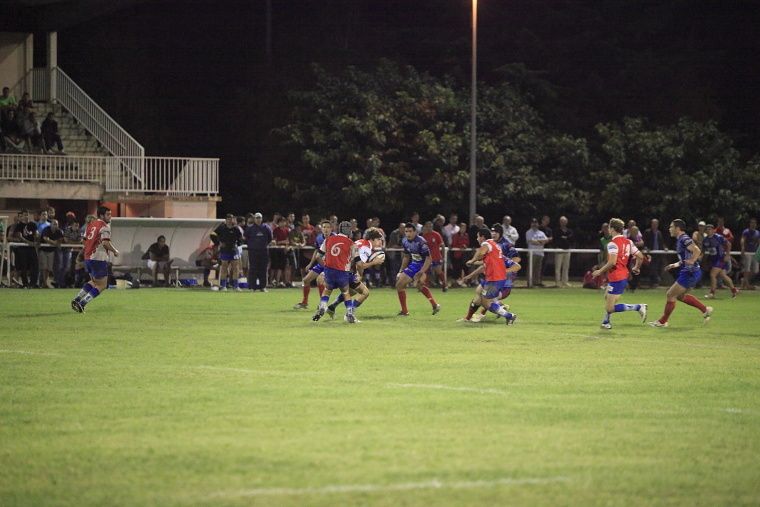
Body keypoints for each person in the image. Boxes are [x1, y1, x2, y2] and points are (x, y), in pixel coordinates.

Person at [650, 219, 713, 327]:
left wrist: (692, 261)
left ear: (677, 228)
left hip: (690, 273)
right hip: (691, 272)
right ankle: (705, 309)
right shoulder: (681, 239)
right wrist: (676, 264)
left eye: (671, 227)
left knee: (670, 294)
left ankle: (662, 321)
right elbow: (686, 257)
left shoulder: (684, 238)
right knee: (679, 296)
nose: (669, 229)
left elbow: (697, 250)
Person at [591, 218, 647, 329]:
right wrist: (636, 267)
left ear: (612, 229)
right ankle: (606, 322)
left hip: (617, 277)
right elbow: (640, 256)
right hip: (622, 276)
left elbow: (611, 262)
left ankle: (638, 307)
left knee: (609, 308)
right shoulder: (629, 242)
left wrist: (599, 271)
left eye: (609, 228)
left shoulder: (612, 244)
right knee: (607, 296)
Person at [462, 224, 521, 322]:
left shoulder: (488, 244)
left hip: (497, 280)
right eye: (492, 232)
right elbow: (484, 264)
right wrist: (470, 274)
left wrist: (473, 261)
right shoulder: (497, 250)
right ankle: (501, 310)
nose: (477, 239)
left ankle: (507, 315)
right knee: (479, 295)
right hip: (493, 279)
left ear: (482, 237)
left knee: (485, 302)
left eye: (478, 236)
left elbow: (481, 253)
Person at [324, 228, 386, 321]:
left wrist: (359, 274)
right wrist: (374, 262)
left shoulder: (360, 241)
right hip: (346, 271)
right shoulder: (366, 248)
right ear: (372, 239)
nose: (380, 241)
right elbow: (360, 265)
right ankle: (349, 315)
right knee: (365, 293)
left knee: (352, 291)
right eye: (378, 239)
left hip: (342, 269)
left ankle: (332, 307)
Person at [71, 206, 119, 312]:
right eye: (108, 214)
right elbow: (105, 242)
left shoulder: (90, 225)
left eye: (110, 214)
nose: (110, 216)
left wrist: (90, 249)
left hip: (88, 257)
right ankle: (82, 303)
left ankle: (77, 298)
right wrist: (115, 251)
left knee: (94, 282)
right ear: (101, 215)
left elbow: (84, 241)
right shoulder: (105, 226)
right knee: (102, 285)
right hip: (98, 259)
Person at [312, 221, 357, 323]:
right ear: (349, 231)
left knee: (327, 290)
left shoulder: (328, 240)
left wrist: (325, 267)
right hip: (342, 272)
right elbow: (356, 260)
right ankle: (349, 312)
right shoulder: (351, 243)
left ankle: (323, 306)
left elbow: (318, 256)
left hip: (329, 271)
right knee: (346, 292)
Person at [396, 223, 440, 316]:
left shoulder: (421, 242)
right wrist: (400, 271)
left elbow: (428, 259)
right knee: (399, 285)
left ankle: (434, 305)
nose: (408, 234)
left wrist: (421, 272)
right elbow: (406, 257)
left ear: (415, 232)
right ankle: (405, 311)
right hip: (414, 264)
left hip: (424, 265)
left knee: (418, 284)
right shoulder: (404, 241)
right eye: (406, 231)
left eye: (410, 231)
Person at [293, 219, 330, 308]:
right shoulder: (319, 238)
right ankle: (305, 303)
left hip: (329, 264)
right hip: (320, 264)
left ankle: (323, 304)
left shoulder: (334, 237)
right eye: (324, 227)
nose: (325, 229)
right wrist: (310, 263)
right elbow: (317, 251)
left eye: (327, 227)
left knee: (319, 281)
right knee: (306, 280)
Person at [702, 224, 738, 299]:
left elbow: (728, 244)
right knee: (723, 275)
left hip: (720, 259)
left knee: (712, 275)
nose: (708, 231)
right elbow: (704, 251)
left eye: (710, 229)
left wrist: (727, 255)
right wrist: (704, 261)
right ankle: (734, 290)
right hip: (713, 260)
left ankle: (712, 293)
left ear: (713, 230)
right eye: (707, 229)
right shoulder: (705, 240)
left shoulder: (718, 237)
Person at [210, 214, 244, 291]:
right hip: (225, 250)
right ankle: (223, 286)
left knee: (235, 268)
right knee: (224, 268)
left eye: (231, 219)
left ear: (233, 220)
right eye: (228, 219)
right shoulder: (222, 228)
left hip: (233, 250)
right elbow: (212, 234)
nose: (230, 220)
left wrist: (238, 244)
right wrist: (219, 243)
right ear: (226, 220)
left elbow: (240, 238)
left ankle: (236, 286)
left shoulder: (236, 229)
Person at [244, 212, 272, 292]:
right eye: (257, 218)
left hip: (263, 251)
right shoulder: (250, 228)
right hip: (253, 251)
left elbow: (270, 238)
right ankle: (252, 286)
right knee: (253, 269)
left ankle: (262, 287)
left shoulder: (266, 228)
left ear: (261, 219)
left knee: (263, 269)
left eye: (259, 218)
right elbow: (246, 238)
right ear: (254, 219)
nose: (258, 219)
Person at [12, 210, 38, 287]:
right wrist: (29, 243)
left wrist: (37, 238)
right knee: (24, 267)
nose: (26, 216)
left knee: (35, 265)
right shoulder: (19, 225)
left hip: (32, 249)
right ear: (22, 216)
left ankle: (33, 283)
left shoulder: (33, 224)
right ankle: (25, 283)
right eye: (24, 215)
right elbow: (20, 236)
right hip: (22, 249)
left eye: (27, 215)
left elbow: (36, 233)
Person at [422, 221, 447, 291]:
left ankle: (444, 284)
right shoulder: (424, 236)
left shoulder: (436, 234)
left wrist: (443, 256)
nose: (429, 228)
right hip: (428, 258)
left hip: (436, 256)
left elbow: (442, 245)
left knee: (439, 271)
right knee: (426, 272)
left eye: (430, 226)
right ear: (425, 227)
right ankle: (425, 286)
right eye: (427, 226)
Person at [39, 219, 64, 288]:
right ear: (50, 224)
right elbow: (45, 239)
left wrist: (55, 242)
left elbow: (61, 239)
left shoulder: (59, 231)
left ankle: (45, 283)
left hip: (51, 251)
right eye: (54, 224)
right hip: (43, 250)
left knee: (48, 268)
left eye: (56, 224)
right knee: (44, 267)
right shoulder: (46, 229)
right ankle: (43, 283)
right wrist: (55, 243)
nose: (55, 225)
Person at [642, 218, 666, 288]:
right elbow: (644, 241)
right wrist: (646, 247)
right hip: (650, 253)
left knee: (657, 267)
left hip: (658, 253)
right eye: (653, 224)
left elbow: (661, 243)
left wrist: (665, 248)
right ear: (651, 224)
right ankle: (653, 282)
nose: (655, 225)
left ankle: (655, 283)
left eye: (656, 224)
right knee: (652, 268)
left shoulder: (659, 233)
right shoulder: (647, 232)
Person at [525, 218, 548, 286]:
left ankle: (536, 282)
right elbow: (530, 241)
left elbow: (546, 240)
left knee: (538, 269)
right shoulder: (528, 232)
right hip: (532, 253)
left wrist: (538, 242)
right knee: (531, 268)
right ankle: (529, 282)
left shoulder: (541, 233)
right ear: (531, 224)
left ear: (538, 224)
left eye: (536, 223)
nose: (534, 224)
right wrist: (540, 242)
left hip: (540, 253)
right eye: (533, 223)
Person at [554, 216, 573, 287]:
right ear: (559, 222)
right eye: (562, 221)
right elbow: (557, 238)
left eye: (564, 221)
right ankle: (557, 282)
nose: (563, 223)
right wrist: (565, 238)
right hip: (559, 249)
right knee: (558, 267)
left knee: (566, 267)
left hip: (567, 250)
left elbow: (571, 238)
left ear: (566, 222)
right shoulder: (557, 230)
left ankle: (565, 281)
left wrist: (565, 238)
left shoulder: (569, 231)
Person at [270, 217, 290, 287]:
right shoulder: (276, 230)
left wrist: (286, 246)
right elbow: (274, 241)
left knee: (283, 267)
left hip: (284, 251)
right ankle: (275, 282)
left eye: (283, 222)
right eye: (281, 222)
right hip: (276, 250)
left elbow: (288, 241)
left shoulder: (287, 230)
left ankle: (283, 282)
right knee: (275, 267)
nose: (282, 223)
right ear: (278, 223)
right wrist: (282, 242)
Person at [740, 218, 759, 290]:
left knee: (756, 270)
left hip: (755, 253)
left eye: (754, 223)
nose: (753, 224)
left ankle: (744, 280)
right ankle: (747, 285)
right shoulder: (746, 231)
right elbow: (742, 239)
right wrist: (742, 248)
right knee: (747, 269)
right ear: (750, 224)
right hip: (747, 252)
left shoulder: (757, 233)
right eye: (752, 223)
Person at [450, 222, 470, 287]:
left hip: (464, 255)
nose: (463, 229)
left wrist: (465, 246)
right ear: (460, 228)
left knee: (465, 268)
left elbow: (467, 243)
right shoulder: (455, 235)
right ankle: (454, 283)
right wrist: (461, 246)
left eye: (465, 228)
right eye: (462, 228)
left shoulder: (466, 235)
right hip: (457, 255)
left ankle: (464, 282)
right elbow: (453, 244)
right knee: (456, 269)